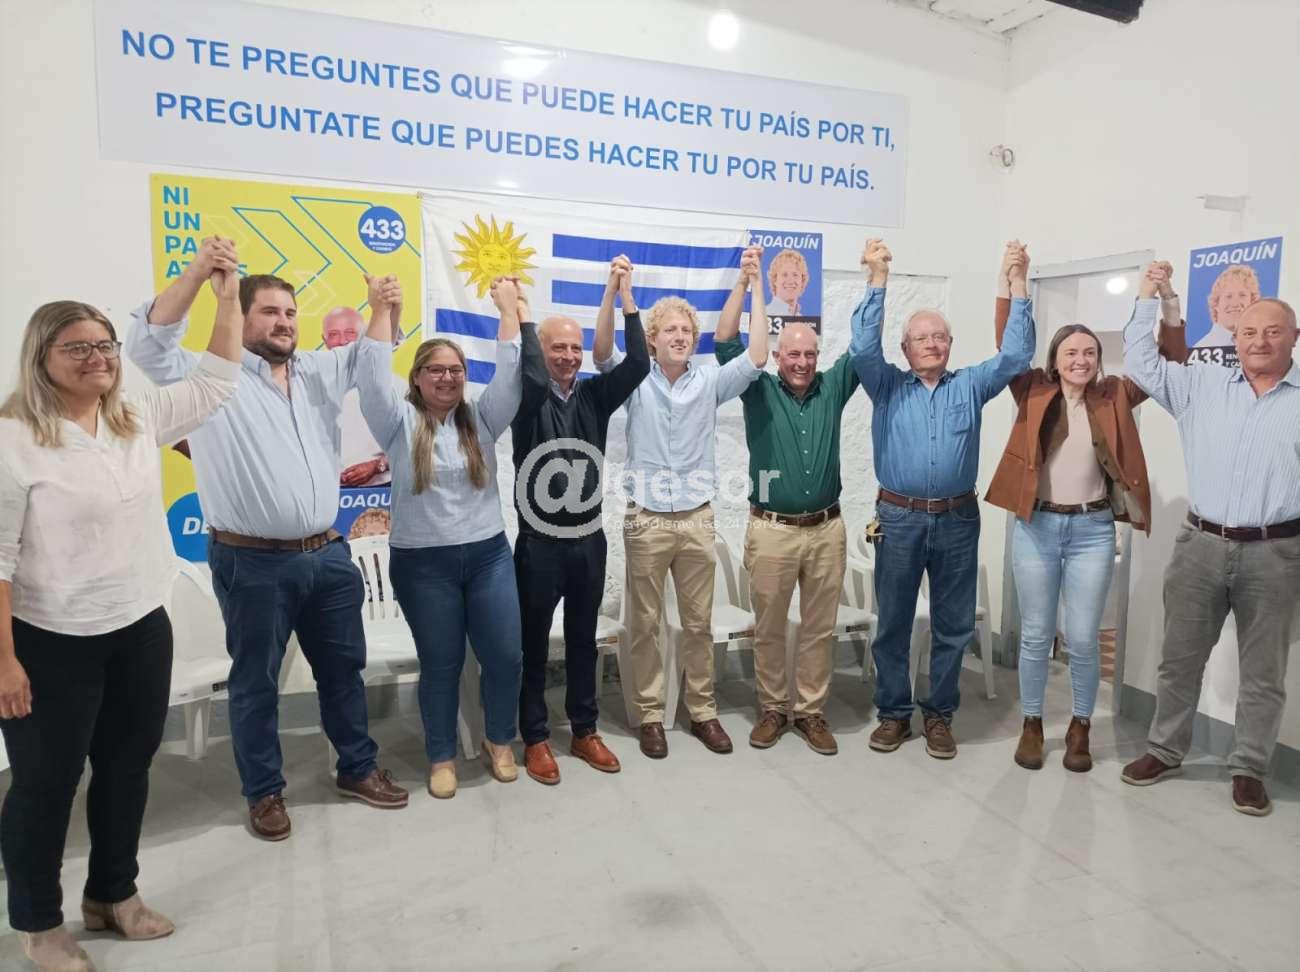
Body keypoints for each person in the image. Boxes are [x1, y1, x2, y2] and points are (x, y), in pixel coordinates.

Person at [0, 241, 243, 972]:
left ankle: (113, 894)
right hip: (49, 641)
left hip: (139, 627)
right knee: (45, 785)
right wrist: (5, 662)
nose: (98, 358)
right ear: (41, 357)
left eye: (105, 345)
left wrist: (224, 292)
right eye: (77, 348)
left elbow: (217, 379)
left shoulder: (134, 416)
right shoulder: (13, 441)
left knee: (127, 768)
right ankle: (39, 925)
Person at [125, 257, 409, 842]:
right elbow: (148, 341)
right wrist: (201, 276)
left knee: (343, 672)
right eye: (269, 312)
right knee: (255, 683)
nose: (284, 322)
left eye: (290, 312)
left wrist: (384, 306)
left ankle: (357, 767)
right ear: (241, 315)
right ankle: (264, 792)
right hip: (251, 561)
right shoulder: (207, 376)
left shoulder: (319, 370)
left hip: (328, 556)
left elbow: (372, 357)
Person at [986, 248, 1188, 772]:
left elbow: (1168, 362)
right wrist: (1013, 282)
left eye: (1090, 352)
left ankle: (1080, 726)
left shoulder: (1115, 395)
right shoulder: (1031, 389)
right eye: (1071, 352)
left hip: (1093, 531)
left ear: (1099, 360)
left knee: (1081, 637)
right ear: (1055, 359)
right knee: (1035, 634)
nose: (1081, 360)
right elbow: (1008, 344)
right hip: (1036, 527)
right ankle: (1032, 723)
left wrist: (1164, 301)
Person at [1120, 264, 1300, 816]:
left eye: (1272, 331)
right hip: (1200, 546)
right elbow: (1141, 361)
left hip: (1276, 553)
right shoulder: (1199, 385)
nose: (1259, 341)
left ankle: (1248, 768)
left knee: (1263, 673)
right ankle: (1165, 749)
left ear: (1294, 337)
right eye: (1248, 331)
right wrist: (1149, 296)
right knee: (1179, 660)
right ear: (1234, 338)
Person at [852, 239, 1035, 759]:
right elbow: (863, 349)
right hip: (898, 519)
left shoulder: (971, 385)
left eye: (939, 337)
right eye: (921, 338)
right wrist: (878, 280)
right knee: (893, 623)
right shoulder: (887, 386)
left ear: (950, 345)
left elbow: (1016, 356)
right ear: (906, 349)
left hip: (957, 520)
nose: (931, 345)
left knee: (953, 626)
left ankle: (939, 716)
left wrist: (1017, 284)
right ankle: (893, 714)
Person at [356, 274, 524, 799]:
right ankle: (442, 756)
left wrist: (509, 310)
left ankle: (499, 740)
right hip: (422, 564)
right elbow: (369, 376)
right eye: (436, 369)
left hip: (488, 556)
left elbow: (511, 375)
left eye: (455, 370)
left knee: (505, 656)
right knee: (441, 664)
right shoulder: (396, 420)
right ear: (417, 377)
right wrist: (381, 309)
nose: (447, 378)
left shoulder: (483, 419)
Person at [600, 251, 768, 758]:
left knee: (698, 623)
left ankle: (702, 712)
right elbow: (602, 351)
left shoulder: (710, 381)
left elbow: (757, 356)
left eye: (687, 331)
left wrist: (754, 284)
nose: (679, 336)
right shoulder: (635, 378)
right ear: (651, 338)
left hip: (697, 518)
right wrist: (615, 293)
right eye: (670, 330)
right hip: (646, 519)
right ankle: (651, 715)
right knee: (645, 624)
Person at [714, 247, 860, 755]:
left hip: (826, 530)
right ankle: (774, 709)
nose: (801, 363)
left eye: (809, 355)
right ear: (778, 358)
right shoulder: (758, 390)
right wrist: (743, 282)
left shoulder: (834, 387)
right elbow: (725, 341)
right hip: (771, 529)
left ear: (818, 357)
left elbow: (864, 346)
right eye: (793, 355)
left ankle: (811, 712)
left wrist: (876, 279)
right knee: (771, 627)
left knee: (819, 629)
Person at [512, 255, 650, 785]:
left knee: (582, 640)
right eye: (558, 348)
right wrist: (524, 316)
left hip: (588, 540)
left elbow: (638, 363)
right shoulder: (526, 399)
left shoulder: (594, 395)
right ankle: (535, 737)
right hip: (539, 543)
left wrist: (624, 297)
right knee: (532, 643)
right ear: (541, 350)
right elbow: (529, 372)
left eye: (575, 348)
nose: (569, 356)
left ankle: (584, 729)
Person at [323, 305, 398, 488]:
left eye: (350, 333)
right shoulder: (308, 385)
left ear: (365, 336)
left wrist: (377, 466)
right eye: (333, 334)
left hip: (383, 489)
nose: (342, 341)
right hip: (326, 490)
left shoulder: (395, 385)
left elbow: (417, 442)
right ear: (324, 340)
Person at [1195, 264, 1260, 348]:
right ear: (1216, 304)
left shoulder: (1260, 346)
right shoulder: (1202, 348)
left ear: (1252, 302)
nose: (1235, 303)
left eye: (1242, 295)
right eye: (1228, 296)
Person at [767, 248, 810, 317]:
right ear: (775, 280)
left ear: (802, 281)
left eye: (795, 275)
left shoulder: (802, 318)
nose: (790, 281)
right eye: (784, 275)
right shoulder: (764, 315)